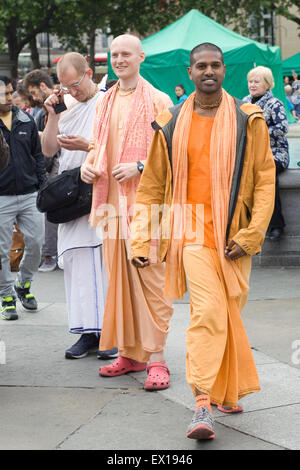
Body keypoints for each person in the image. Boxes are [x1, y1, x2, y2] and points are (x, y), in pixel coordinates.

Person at [130, 43, 275, 440]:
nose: (208, 71)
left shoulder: (249, 119)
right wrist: (142, 240)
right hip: (190, 235)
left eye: (215, 65)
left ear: (224, 69)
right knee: (207, 314)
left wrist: (250, 236)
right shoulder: (171, 122)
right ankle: (203, 403)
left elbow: (264, 181)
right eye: (200, 66)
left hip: (233, 238)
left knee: (228, 313)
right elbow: (152, 187)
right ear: (190, 72)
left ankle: (228, 390)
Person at [80, 34, 174, 390]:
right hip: (109, 205)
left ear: (140, 57)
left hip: (145, 207)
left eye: (126, 54)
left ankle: (158, 359)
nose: (119, 60)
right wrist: (88, 167)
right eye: (115, 54)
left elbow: (172, 153)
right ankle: (132, 353)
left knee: (151, 281)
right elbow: (96, 145)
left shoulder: (158, 100)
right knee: (118, 283)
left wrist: (138, 165)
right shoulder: (104, 102)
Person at [41, 53, 117, 360]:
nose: (73, 92)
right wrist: (52, 116)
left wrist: (86, 145)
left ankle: (110, 332)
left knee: (102, 264)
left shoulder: (108, 101)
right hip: (69, 193)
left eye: (76, 84)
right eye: (66, 87)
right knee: (75, 263)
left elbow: (118, 144)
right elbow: (48, 149)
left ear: (89, 73)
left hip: (100, 188)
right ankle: (85, 331)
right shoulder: (67, 107)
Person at [0, 75, 46, 321]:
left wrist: (42, 185)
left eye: (9, 93)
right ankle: (6, 296)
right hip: (1, 197)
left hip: (29, 194)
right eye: (2, 94)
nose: (8, 98)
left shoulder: (24, 119)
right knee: (1, 251)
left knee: (37, 243)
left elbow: (38, 156)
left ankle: (23, 284)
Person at [244, 66, 289, 241]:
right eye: (250, 81)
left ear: (268, 84)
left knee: (268, 178)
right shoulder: (245, 101)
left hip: (275, 153)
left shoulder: (274, 103)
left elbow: (283, 128)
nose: (252, 84)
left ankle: (277, 225)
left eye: (257, 81)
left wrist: (259, 133)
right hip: (253, 155)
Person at [23, 69, 60, 272]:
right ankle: (50, 253)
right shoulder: (43, 110)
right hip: (54, 162)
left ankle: (49, 255)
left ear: (43, 87)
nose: (34, 98)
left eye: (34, 92)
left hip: (58, 161)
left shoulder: (54, 105)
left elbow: (55, 138)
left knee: (50, 208)